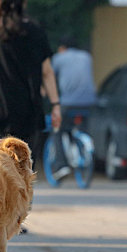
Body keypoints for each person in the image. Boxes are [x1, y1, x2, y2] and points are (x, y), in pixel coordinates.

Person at [0, 0, 61, 152]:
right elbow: (46, 72)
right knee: (21, 171)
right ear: (24, 3)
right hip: (26, 112)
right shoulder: (35, 31)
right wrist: (55, 105)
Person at [50, 35, 97, 179]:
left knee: (57, 129)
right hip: (89, 102)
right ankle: (82, 152)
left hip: (68, 103)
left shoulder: (59, 58)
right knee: (82, 128)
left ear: (62, 48)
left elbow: (50, 78)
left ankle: (61, 165)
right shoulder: (86, 57)